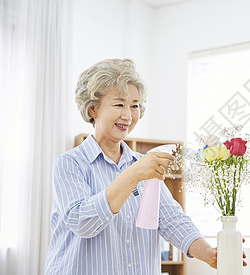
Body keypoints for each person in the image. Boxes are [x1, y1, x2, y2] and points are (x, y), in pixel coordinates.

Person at [44, 58, 234, 274]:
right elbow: (82, 223)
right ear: (93, 109)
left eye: (134, 105)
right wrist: (132, 175)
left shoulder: (143, 165)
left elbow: (172, 220)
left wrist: (209, 253)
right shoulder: (69, 164)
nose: (128, 115)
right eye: (119, 104)